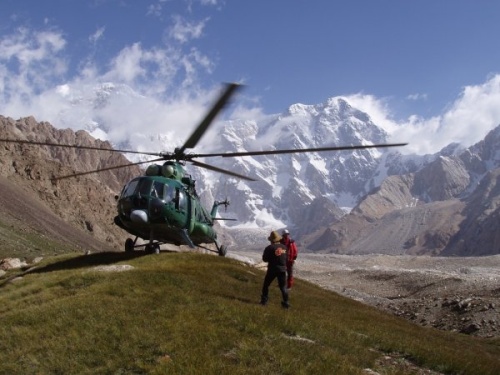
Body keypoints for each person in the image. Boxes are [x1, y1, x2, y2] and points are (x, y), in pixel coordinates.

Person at [260, 231, 290, 308]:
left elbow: (265, 259)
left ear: (271, 240)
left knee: (266, 285)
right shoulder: (284, 247)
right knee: (283, 287)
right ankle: (286, 303)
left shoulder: (269, 248)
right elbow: (287, 258)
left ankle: (264, 301)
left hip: (272, 269)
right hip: (282, 269)